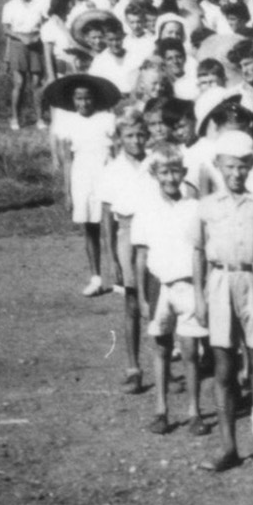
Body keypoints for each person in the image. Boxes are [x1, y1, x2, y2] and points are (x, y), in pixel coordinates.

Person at [193, 129, 253, 472]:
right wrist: (199, 295)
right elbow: (198, 252)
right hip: (220, 281)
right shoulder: (206, 206)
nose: (237, 173)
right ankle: (227, 445)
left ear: (252, 165)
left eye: (243, 166)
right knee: (223, 367)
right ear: (218, 166)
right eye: (230, 166)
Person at [133, 143, 205, 435]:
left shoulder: (195, 208)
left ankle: (194, 411)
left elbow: (201, 250)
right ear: (155, 174)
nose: (171, 178)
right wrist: (140, 296)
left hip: (187, 284)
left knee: (190, 351)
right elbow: (140, 257)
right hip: (158, 285)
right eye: (165, 172)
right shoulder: (147, 210)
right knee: (160, 347)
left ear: (184, 173)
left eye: (176, 171)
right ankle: (161, 409)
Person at [95, 103, 155, 393]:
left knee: (158, 299)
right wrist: (111, 259)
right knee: (131, 300)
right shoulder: (113, 169)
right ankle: (134, 367)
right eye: (129, 136)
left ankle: (163, 363)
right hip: (128, 234)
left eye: (140, 135)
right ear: (120, 137)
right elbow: (107, 215)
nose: (136, 141)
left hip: (155, 233)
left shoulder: (154, 162)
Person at [51, 76, 118, 296]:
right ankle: (96, 277)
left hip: (106, 175)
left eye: (88, 98)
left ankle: (117, 276)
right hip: (82, 177)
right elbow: (67, 160)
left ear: (94, 99)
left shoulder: (107, 119)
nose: (84, 103)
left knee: (111, 227)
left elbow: (116, 153)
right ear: (73, 100)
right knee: (90, 228)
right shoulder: (68, 123)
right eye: (79, 98)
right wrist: (67, 191)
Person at [3, 0, 46, 130]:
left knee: (36, 83)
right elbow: (6, 29)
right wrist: (21, 37)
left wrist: (37, 37)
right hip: (18, 44)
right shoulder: (10, 6)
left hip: (35, 44)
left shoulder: (38, 5)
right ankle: (15, 118)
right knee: (19, 83)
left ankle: (40, 118)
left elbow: (44, 25)